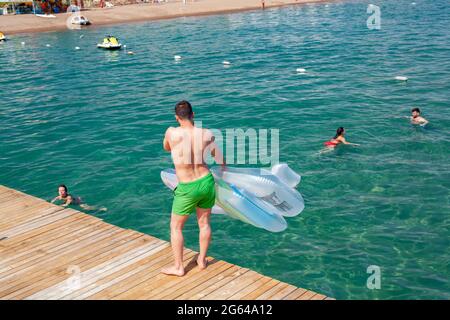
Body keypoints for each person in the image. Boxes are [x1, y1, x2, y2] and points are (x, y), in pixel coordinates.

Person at [162, 100, 225, 276]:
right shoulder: (206, 134)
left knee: (176, 227)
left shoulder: (171, 132)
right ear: (193, 115)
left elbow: (166, 148)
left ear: (176, 117)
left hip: (187, 187)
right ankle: (202, 260)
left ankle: (178, 267)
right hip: (206, 181)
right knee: (204, 223)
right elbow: (220, 160)